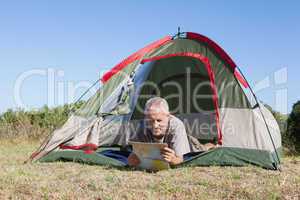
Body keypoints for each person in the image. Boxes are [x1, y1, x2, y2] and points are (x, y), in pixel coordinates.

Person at [128, 97, 191, 166]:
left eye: (159, 120)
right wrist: (132, 160)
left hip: (192, 146)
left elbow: (180, 159)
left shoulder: (177, 126)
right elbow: (133, 155)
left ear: (168, 116)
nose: (155, 125)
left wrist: (173, 160)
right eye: (151, 121)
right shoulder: (141, 126)